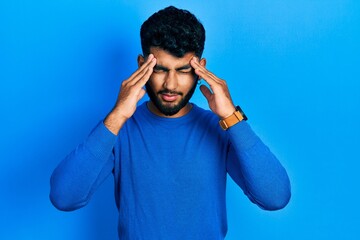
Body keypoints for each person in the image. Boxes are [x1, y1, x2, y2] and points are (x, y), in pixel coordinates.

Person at [50, 6, 291, 239]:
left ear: (200, 69)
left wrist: (232, 117)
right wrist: (116, 117)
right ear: (142, 65)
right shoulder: (120, 130)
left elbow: (275, 197)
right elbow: (64, 197)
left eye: (183, 70)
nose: (171, 85)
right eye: (160, 69)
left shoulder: (219, 129)